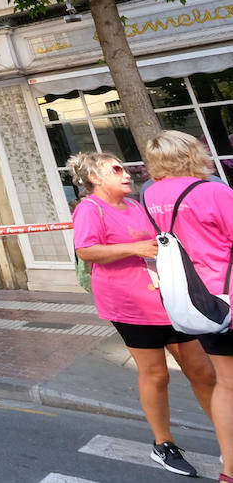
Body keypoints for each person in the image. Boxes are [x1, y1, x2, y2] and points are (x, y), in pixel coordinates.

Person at [69, 149, 214, 477]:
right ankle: (164, 444)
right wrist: (134, 248)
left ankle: (227, 437)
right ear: (95, 177)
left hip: (166, 299)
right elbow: (86, 250)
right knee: (156, 374)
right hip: (129, 304)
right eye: (116, 169)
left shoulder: (135, 205)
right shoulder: (89, 208)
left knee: (202, 371)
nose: (127, 174)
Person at [140, 131, 233, 483]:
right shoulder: (212, 191)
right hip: (229, 293)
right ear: (193, 152)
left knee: (226, 384)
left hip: (199, 303)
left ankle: (229, 471)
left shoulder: (149, 195)